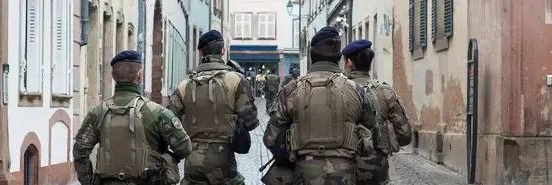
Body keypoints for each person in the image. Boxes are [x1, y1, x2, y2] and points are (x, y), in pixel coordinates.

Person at [262, 27, 377, 185]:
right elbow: (372, 130)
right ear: (339, 58)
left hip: (304, 173)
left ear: (311, 58)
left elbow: (270, 138)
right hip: (344, 174)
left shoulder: (291, 90)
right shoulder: (357, 90)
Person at [73, 50, 192, 185]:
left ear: (113, 76)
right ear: (139, 76)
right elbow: (185, 148)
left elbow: (80, 150)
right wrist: (167, 158)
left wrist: (88, 181)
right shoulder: (158, 113)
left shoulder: (97, 113)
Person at [169, 30, 259, 185]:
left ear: (200, 52)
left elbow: (170, 122)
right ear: (223, 51)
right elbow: (250, 121)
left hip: (193, 159)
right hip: (224, 160)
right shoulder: (235, 80)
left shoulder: (185, 85)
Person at [342, 40, 413, 185]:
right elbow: (406, 136)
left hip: (343, 167)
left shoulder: (337, 90)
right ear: (369, 63)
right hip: (376, 168)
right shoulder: (385, 92)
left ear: (349, 63)